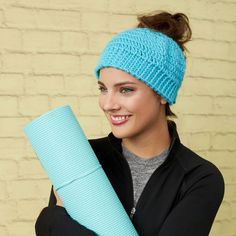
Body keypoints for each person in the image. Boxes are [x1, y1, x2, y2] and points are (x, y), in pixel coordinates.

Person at [35, 11, 224, 236]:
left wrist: (52, 221)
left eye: (125, 90)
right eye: (103, 88)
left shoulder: (199, 178)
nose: (108, 104)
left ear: (162, 93)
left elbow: (52, 228)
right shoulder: (83, 157)